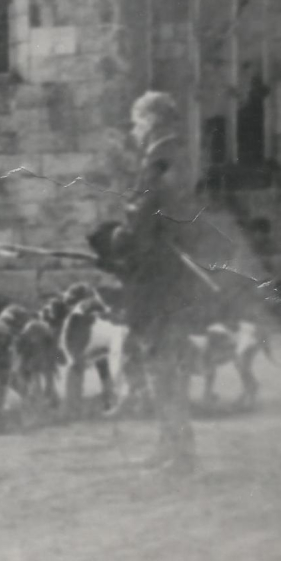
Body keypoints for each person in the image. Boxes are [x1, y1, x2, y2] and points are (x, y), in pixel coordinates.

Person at [93, 91, 215, 476]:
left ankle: (179, 453)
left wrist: (115, 242)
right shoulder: (178, 157)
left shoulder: (160, 160)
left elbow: (143, 220)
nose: (134, 130)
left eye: (136, 122)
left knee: (164, 365)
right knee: (165, 364)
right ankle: (172, 445)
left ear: (150, 120)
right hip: (170, 277)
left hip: (159, 280)